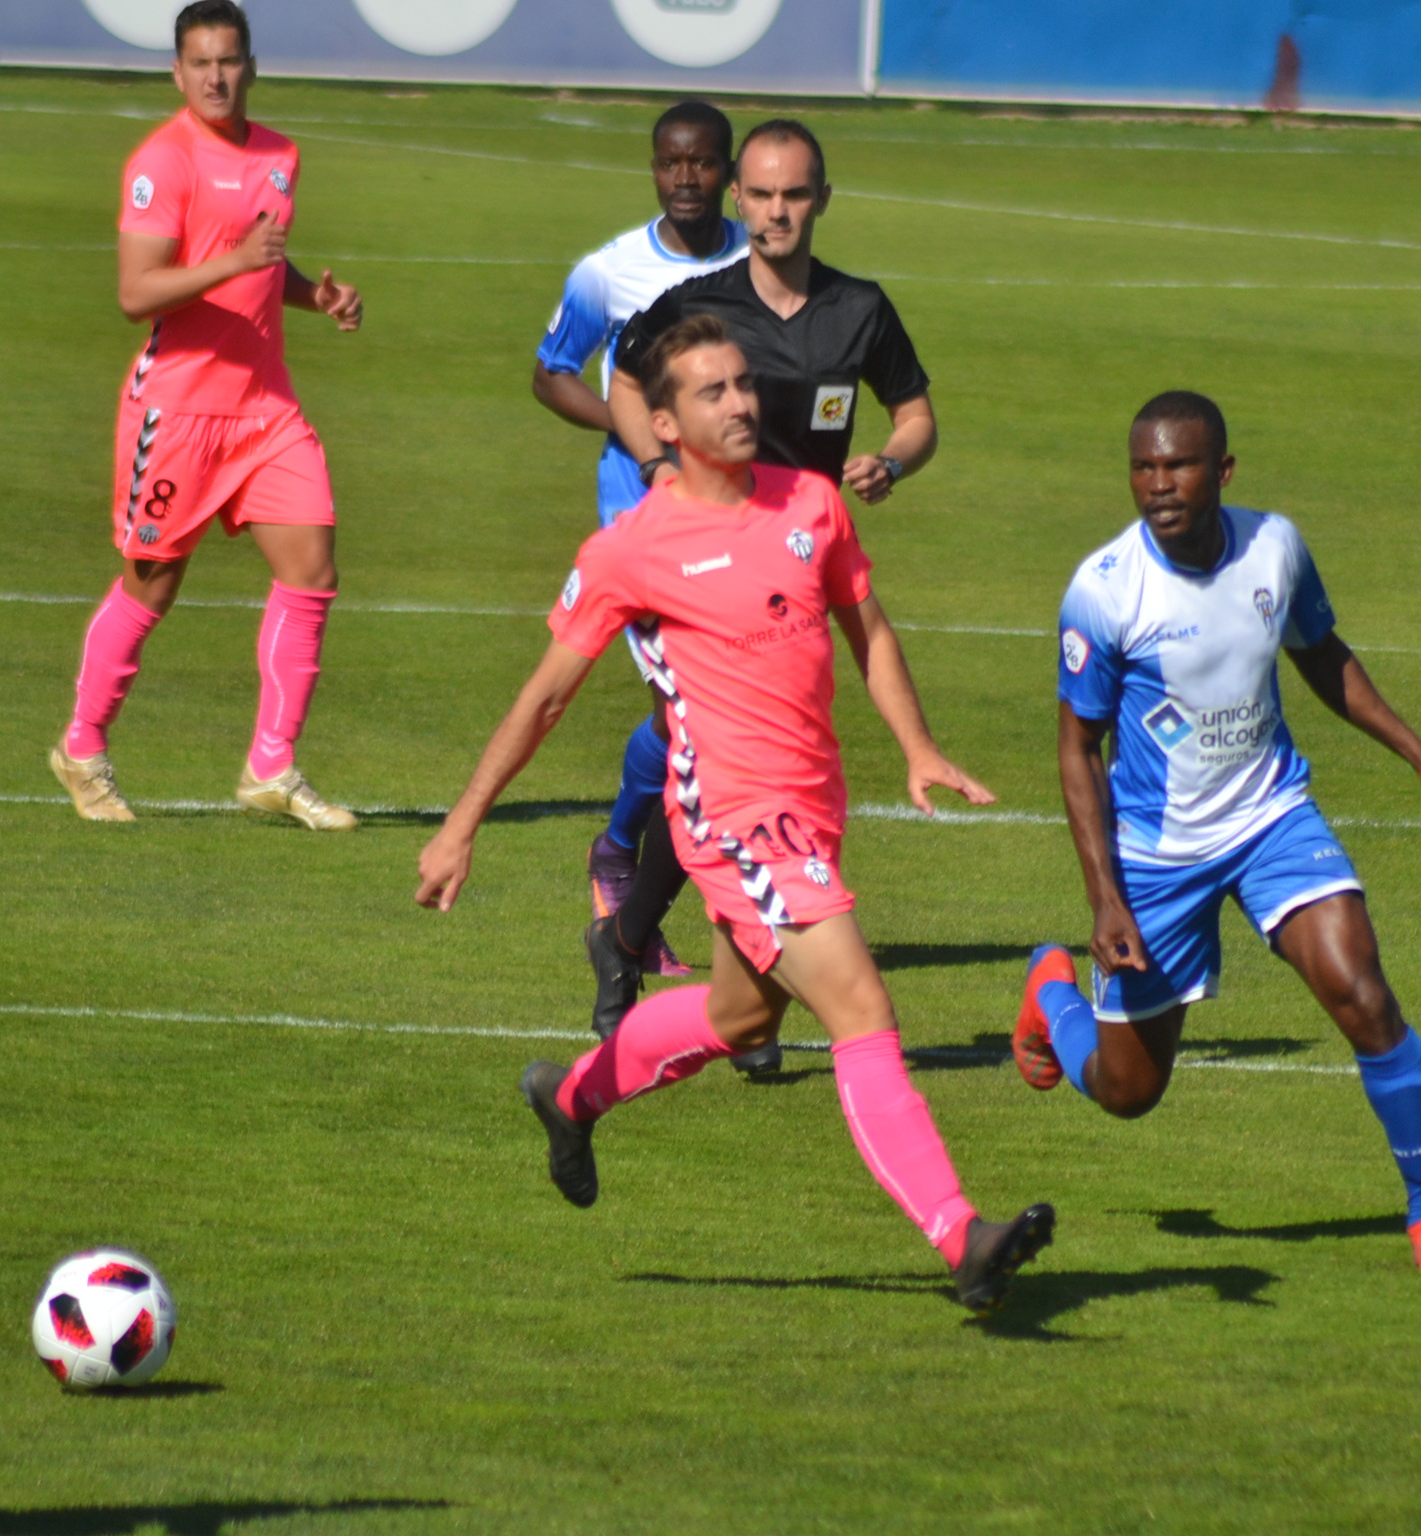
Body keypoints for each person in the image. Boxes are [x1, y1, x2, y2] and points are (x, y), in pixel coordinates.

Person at [416, 318, 1052, 1313]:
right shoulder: (630, 551)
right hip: (733, 820)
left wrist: (918, 746)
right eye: (713, 392)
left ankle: (571, 1096)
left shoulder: (811, 502)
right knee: (860, 1009)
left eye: (744, 384)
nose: (742, 402)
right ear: (664, 424)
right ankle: (959, 1236)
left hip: (812, 807)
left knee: (739, 1015)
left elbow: (868, 627)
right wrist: (461, 825)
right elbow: (543, 699)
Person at [1014, 392, 1421, 1276]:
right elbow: (1077, 750)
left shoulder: (1275, 545)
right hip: (1158, 856)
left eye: (1178, 466)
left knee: (1364, 996)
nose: (1158, 485)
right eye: (1143, 468)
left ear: (1223, 471)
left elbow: (1321, 655)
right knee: (1128, 1092)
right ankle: (1052, 996)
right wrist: (1105, 900)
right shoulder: (1105, 590)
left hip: (1271, 817)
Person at [595, 117, 940, 1070]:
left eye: (794, 194)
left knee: (773, 774)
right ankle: (708, 977)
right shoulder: (697, 307)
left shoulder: (860, 310)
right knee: (718, 763)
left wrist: (892, 461)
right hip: (711, 567)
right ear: (738, 199)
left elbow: (917, 412)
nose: (777, 211)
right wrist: (659, 466)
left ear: (821, 199)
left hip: (807, 560)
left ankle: (642, 944)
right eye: (761, 194)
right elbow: (623, 384)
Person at [50, 0, 364, 831]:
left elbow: (265, 264)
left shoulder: (280, 155)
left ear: (251, 66)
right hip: (179, 413)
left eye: (229, 61)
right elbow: (137, 292)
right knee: (151, 586)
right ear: (177, 72)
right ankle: (81, 748)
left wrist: (313, 295)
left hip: (265, 409)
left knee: (312, 568)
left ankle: (272, 765)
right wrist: (235, 260)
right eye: (201, 64)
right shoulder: (163, 161)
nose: (216, 77)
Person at [532, 100, 747, 985]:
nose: (685, 178)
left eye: (702, 163)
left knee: (695, 711)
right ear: (653, 168)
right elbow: (550, 374)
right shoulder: (610, 271)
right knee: (689, 703)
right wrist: (635, 435)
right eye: (669, 162)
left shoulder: (757, 261)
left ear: (729, 173)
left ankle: (623, 853)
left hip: (734, 510)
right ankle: (644, 883)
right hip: (641, 510)